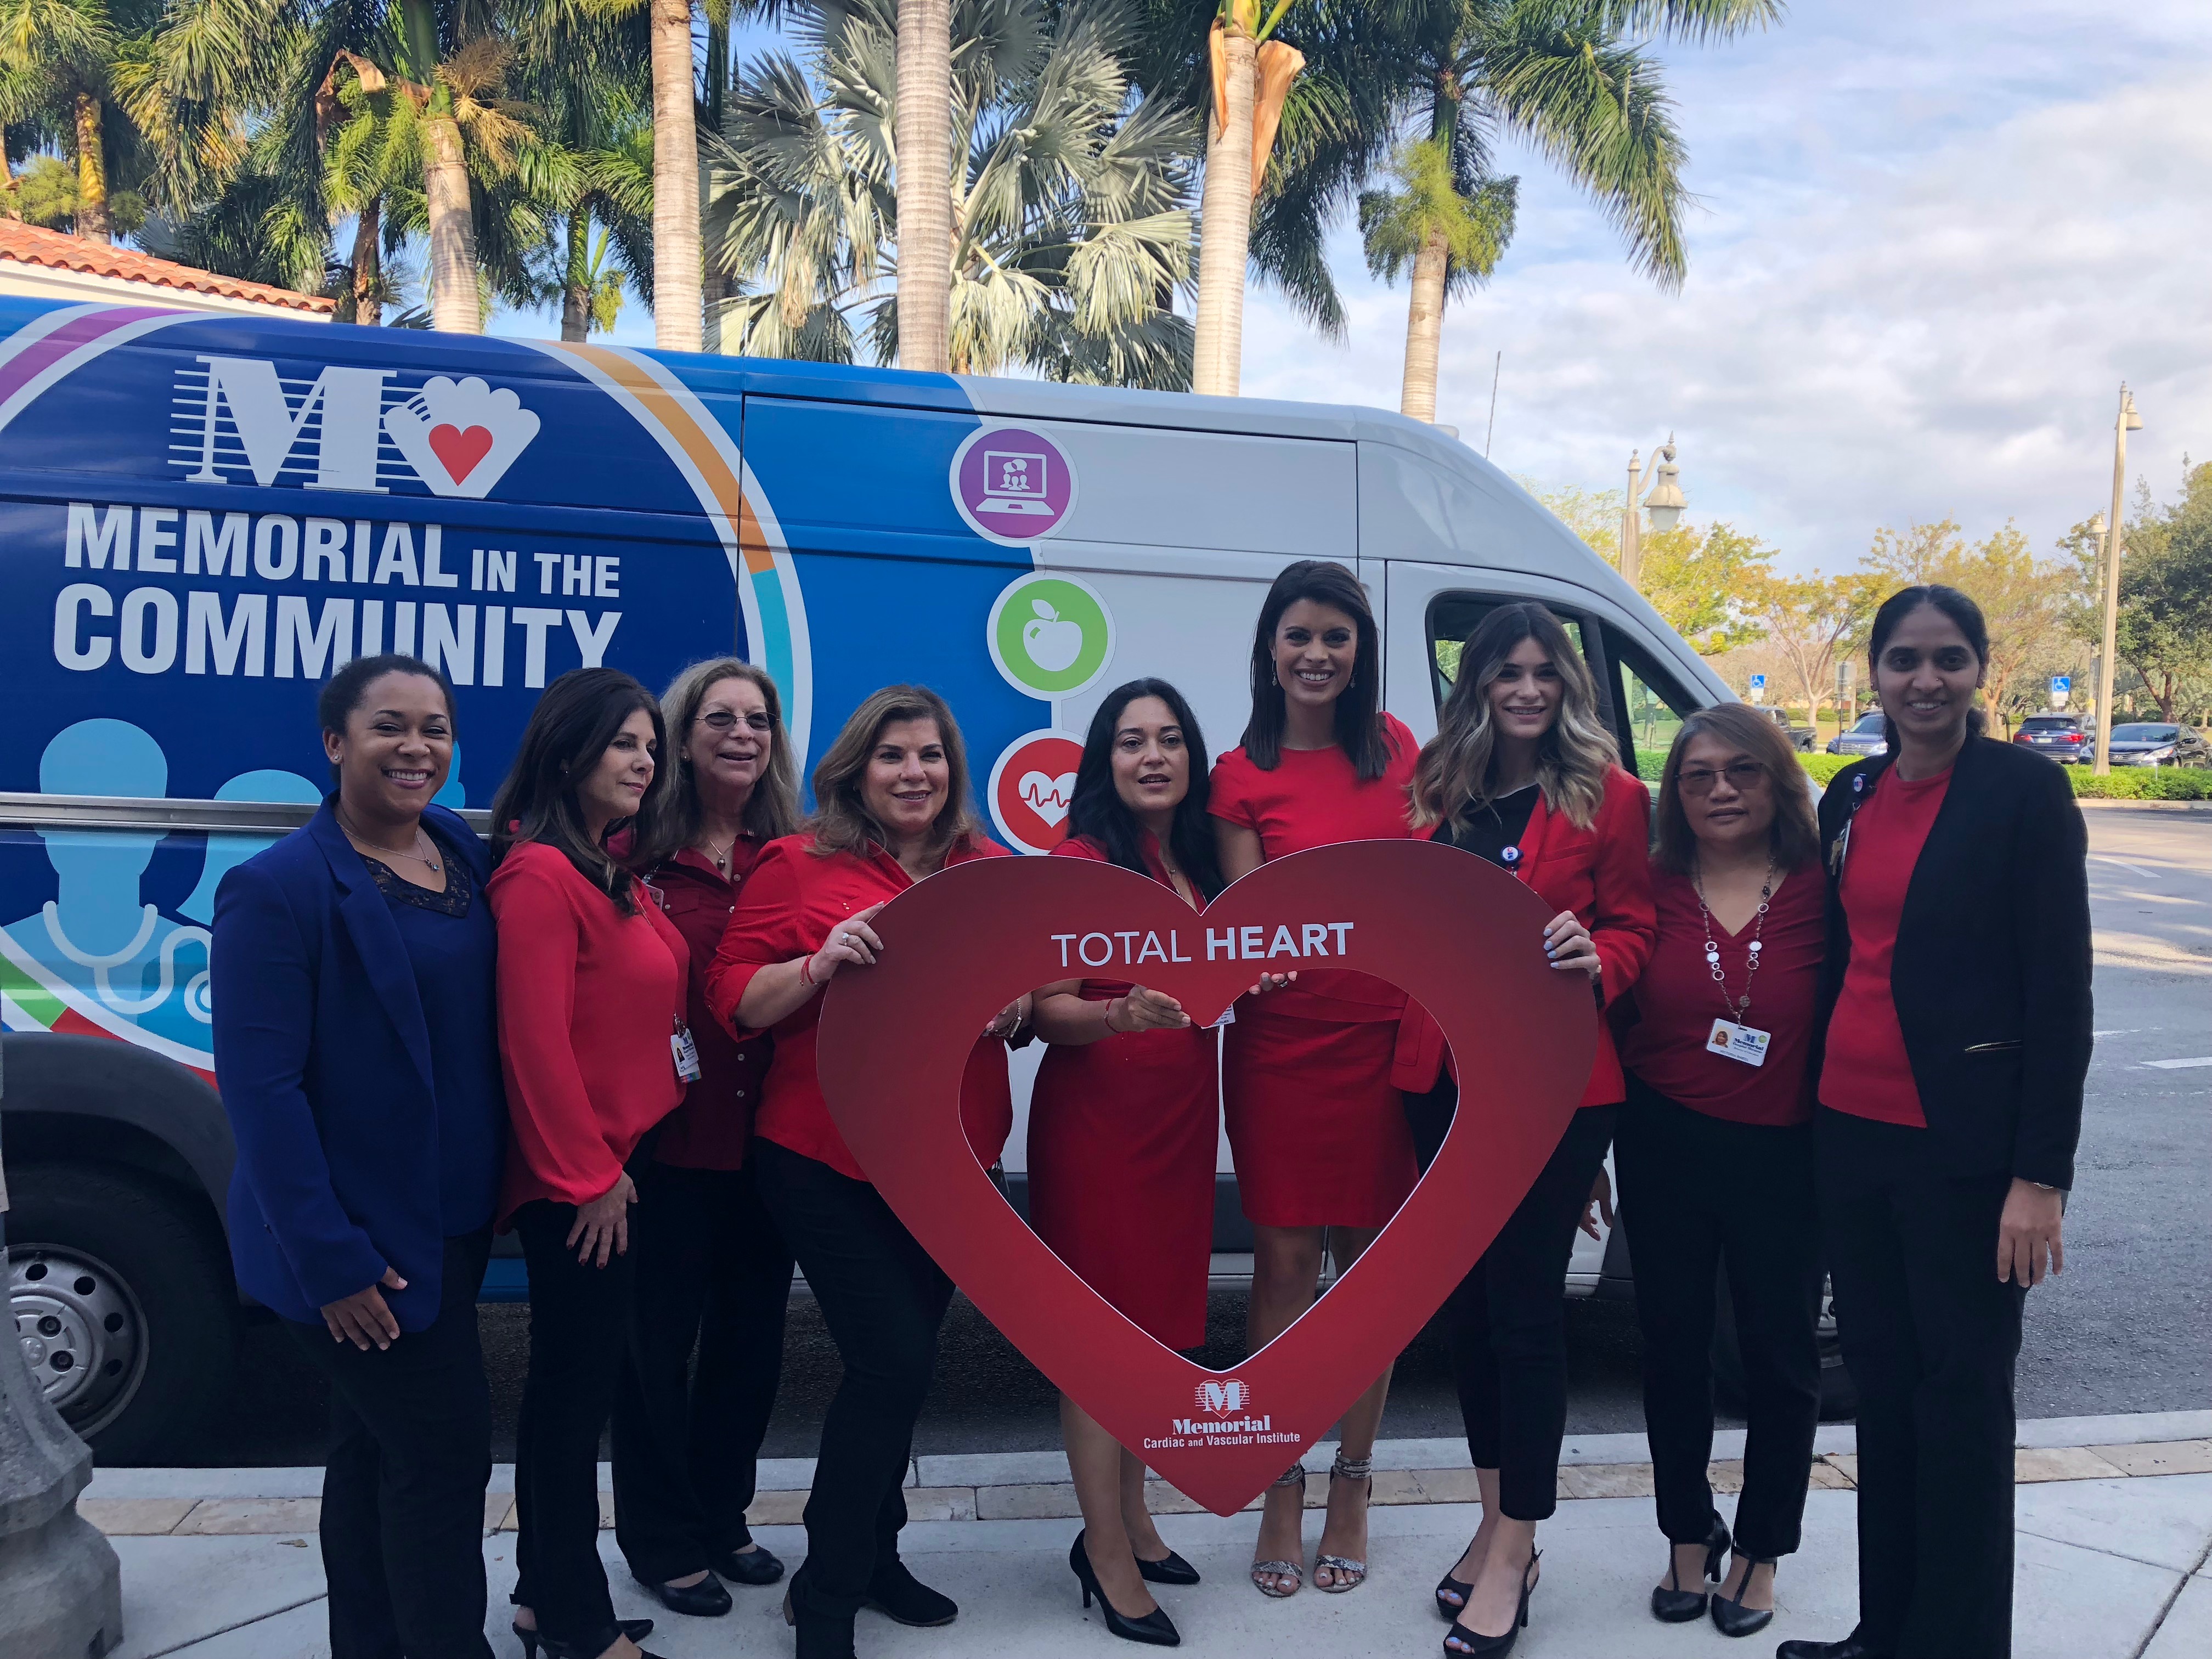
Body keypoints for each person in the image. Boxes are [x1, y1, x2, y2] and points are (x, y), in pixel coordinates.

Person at [1781, 586, 2090, 1659]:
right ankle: (1891, 1631)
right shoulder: (1853, 791)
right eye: (1904, 659)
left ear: (1979, 672)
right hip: (1850, 1137)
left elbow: (2060, 996)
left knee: (1962, 1407)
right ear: (1873, 674)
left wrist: (2039, 1177)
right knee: (1884, 1396)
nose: (1925, 680)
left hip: (1964, 1152)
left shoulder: (2023, 792)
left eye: (1948, 659)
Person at [706, 685, 1028, 1659]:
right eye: (893, 756)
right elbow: (732, 997)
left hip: (953, 1162)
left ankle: (876, 1558)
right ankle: (829, 1592)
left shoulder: (988, 870)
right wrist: (818, 964)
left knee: (899, 1368)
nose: (914, 773)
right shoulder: (797, 864)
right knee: (893, 1362)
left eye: (930, 755)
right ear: (856, 770)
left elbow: (1033, 991)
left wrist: (1012, 1009)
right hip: (825, 1158)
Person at [211, 654, 506, 1659]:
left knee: (372, 1449)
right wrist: (331, 1263)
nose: (416, 748)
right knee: (444, 1456)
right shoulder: (277, 888)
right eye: (390, 727)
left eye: (435, 728)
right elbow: (263, 1093)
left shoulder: (457, 850)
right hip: (359, 1246)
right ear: (335, 743)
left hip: (452, 1223)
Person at [1395, 601, 1655, 1658]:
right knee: (1465, 1311)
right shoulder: (1438, 787)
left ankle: (1516, 1551)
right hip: (1441, 1080)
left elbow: (1637, 925)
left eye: (1547, 672)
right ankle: (1494, 1522)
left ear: (1571, 686)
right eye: (1509, 671)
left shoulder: (1612, 795)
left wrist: (1600, 954)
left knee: (1525, 1314)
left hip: (1554, 1086)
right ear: (1479, 685)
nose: (1529, 689)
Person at [1208, 560, 1421, 1600]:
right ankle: (1279, 1482)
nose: (1318, 654)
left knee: (1370, 1273)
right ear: (1270, 648)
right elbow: (1252, 921)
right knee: (1286, 1269)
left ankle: (1353, 1484)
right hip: (1282, 1048)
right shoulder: (1237, 772)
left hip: (1386, 1041)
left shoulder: (1400, 750)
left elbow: (1430, 893)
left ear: (1361, 651)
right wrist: (1262, 952)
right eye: (1299, 635)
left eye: (1338, 636)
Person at [1613, 703, 1827, 1640]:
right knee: (1672, 1349)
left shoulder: (1823, 886)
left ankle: (1763, 1547)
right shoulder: (1653, 885)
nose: (1721, 791)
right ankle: (1687, 1535)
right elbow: (1603, 1016)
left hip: (1788, 1151)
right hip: (1663, 1140)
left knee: (1781, 1358)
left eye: (1741, 771)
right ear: (1676, 795)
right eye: (1697, 776)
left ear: (1777, 780)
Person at [491, 668, 692, 1659]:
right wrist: (589, 1180)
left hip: (622, 1165)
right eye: (623, 743)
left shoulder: (608, 867)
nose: (645, 761)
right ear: (569, 752)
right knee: (571, 1403)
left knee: (580, 1385)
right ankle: (576, 1624)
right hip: (582, 1187)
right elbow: (533, 1045)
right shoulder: (539, 877)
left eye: (651, 745)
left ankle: (545, 1594)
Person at [1028, 680, 1227, 1647]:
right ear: (1104, 761)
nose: (1154, 756)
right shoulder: (1081, 862)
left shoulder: (1196, 857)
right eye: (1132, 741)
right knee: (1100, 1348)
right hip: (1101, 1131)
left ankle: (1137, 1520)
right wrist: (1120, 1013)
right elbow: (1043, 1009)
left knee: (1156, 1340)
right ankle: (1103, 1550)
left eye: (1170, 739)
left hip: (1180, 1125)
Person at [611, 659, 801, 1617]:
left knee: (750, 1346)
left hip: (769, 1144)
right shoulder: (633, 851)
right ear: (682, 738)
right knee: (654, 1352)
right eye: (719, 718)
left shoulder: (794, 855)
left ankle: (722, 1519)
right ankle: (659, 1540)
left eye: (757, 720)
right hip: (666, 1147)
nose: (741, 734)